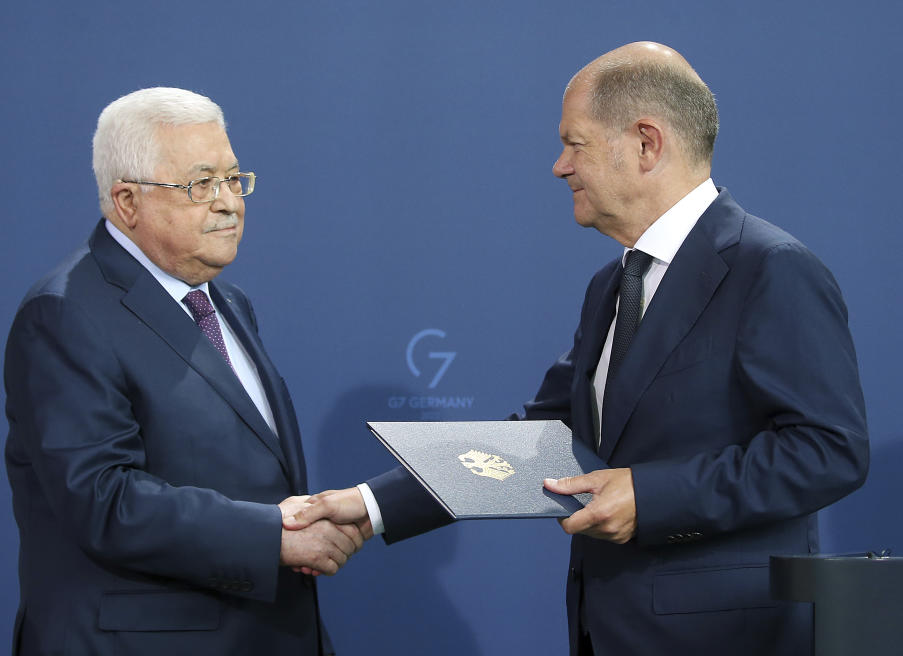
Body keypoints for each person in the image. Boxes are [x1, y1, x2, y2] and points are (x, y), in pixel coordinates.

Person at [286, 42, 869, 655]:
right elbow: (539, 441)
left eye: (576, 143)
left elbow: (829, 450)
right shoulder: (613, 286)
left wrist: (652, 495)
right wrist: (371, 505)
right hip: (606, 631)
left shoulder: (771, 268)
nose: (560, 166)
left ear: (647, 143)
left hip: (725, 635)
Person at [4, 87, 367, 656]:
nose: (229, 203)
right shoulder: (66, 312)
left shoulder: (226, 303)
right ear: (127, 201)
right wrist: (273, 534)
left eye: (234, 178)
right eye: (201, 185)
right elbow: (101, 497)